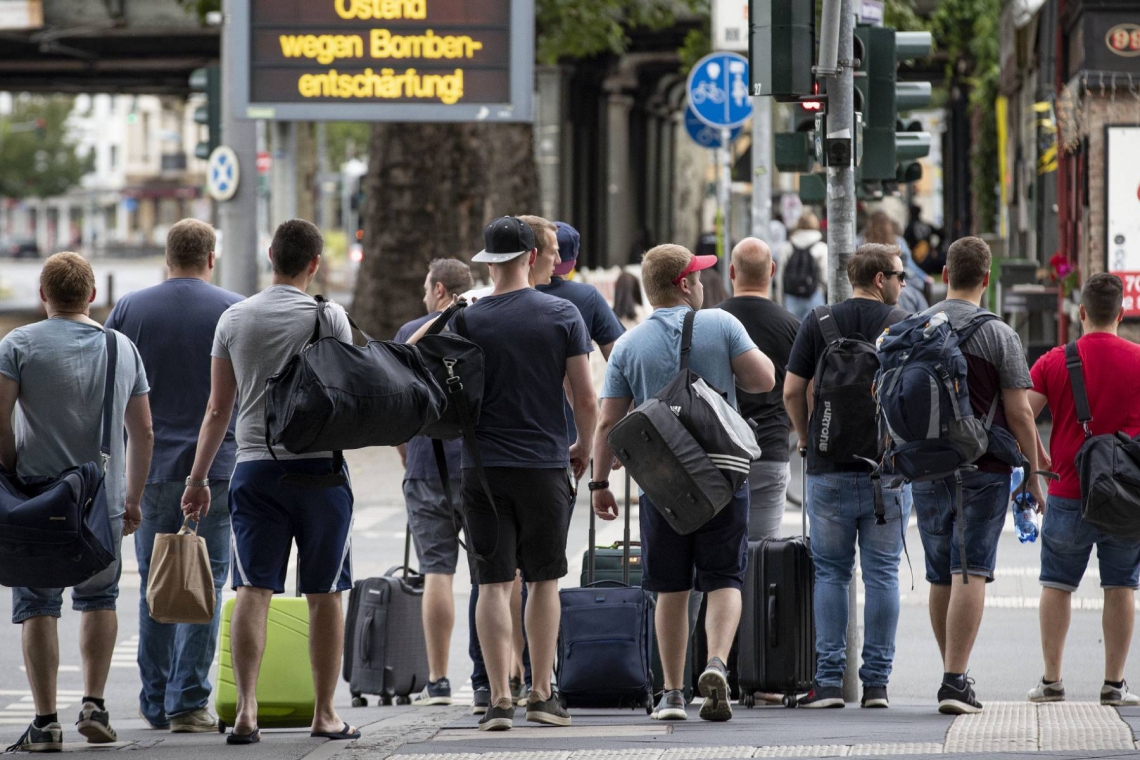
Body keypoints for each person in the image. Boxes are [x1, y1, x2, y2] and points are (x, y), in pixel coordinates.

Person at [181, 219, 359, 745]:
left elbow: (218, 409)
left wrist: (198, 478)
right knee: (325, 592)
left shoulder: (234, 319)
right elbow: (347, 394)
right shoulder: (331, 318)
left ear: (270, 255)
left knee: (252, 589)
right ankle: (325, 713)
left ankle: (247, 712)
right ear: (313, 264)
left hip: (255, 467)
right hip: (321, 469)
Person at [592, 244, 775, 723]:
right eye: (695, 277)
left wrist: (598, 484)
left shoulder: (629, 345)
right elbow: (763, 381)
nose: (700, 284)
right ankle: (716, 663)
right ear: (684, 284)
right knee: (724, 579)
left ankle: (672, 693)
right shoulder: (721, 324)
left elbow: (607, 421)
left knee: (669, 588)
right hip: (722, 476)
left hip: (662, 484)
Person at [444, 216, 597, 732]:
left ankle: (498, 701)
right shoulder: (562, 314)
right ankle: (541, 693)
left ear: (489, 262)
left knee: (491, 583)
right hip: (544, 463)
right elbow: (585, 396)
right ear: (532, 257)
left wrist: (450, 311)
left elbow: (425, 361)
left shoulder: (466, 318)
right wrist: (583, 447)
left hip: (481, 467)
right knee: (544, 580)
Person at [0, 252, 153, 752]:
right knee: (99, 599)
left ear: (44, 295)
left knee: (38, 605)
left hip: (34, 502)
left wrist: (9, 471)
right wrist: (131, 499)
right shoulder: (122, 347)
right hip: (100, 504)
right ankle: (94, 703)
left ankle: (45, 722)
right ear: (91, 295)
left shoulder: (17, 344)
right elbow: (144, 431)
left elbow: (0, 421)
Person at [105, 219, 242, 732]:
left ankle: (156, 700)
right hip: (214, 470)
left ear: (168, 257)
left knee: (155, 585)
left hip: (148, 468)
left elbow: (113, 387)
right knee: (208, 582)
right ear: (211, 257)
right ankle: (189, 701)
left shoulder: (130, 310)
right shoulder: (232, 307)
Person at [909, 236, 1044, 715]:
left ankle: (953, 673)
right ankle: (954, 680)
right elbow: (1020, 413)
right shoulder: (999, 335)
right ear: (987, 278)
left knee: (940, 573)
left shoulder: (917, 325)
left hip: (925, 465)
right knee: (972, 570)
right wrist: (1033, 469)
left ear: (945, 274)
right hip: (983, 467)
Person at [782, 244, 911, 710]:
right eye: (899, 275)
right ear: (880, 279)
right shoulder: (901, 323)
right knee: (882, 575)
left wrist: (804, 438)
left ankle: (829, 683)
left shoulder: (819, 322)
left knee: (831, 574)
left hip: (828, 467)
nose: (903, 283)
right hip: (888, 471)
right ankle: (876, 685)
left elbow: (792, 390)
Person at [1026, 273, 1140, 706]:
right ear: (1122, 313)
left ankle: (1052, 681)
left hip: (1069, 491)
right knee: (1120, 586)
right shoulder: (1138, 359)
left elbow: (1023, 414)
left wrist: (1040, 462)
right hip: (1127, 496)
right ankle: (1114, 684)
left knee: (1056, 584)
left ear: (1082, 312)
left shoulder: (1055, 361)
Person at [393, 258, 475, 709]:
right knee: (494, 577)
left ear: (440, 290)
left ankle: (439, 681)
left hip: (427, 467)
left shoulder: (411, 332)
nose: (425, 296)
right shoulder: (484, 326)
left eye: (427, 288)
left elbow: (395, 405)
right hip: (480, 465)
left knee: (438, 572)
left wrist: (408, 454)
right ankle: (503, 676)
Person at [718, 238, 801, 541]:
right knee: (763, 554)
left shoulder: (711, 323)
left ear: (731, 271)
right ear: (772, 271)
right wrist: (788, 425)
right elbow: (803, 394)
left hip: (717, 454)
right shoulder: (793, 326)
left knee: (719, 555)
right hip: (770, 447)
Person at [861, 211, 929, 314]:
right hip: (900, 288)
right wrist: (924, 277)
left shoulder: (862, 242)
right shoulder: (899, 241)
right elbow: (910, 266)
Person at [780, 212, 828, 319]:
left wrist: (781, 299)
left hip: (791, 296)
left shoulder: (788, 247)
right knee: (815, 331)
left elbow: (780, 276)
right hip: (814, 294)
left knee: (793, 332)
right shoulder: (821, 247)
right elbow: (825, 277)